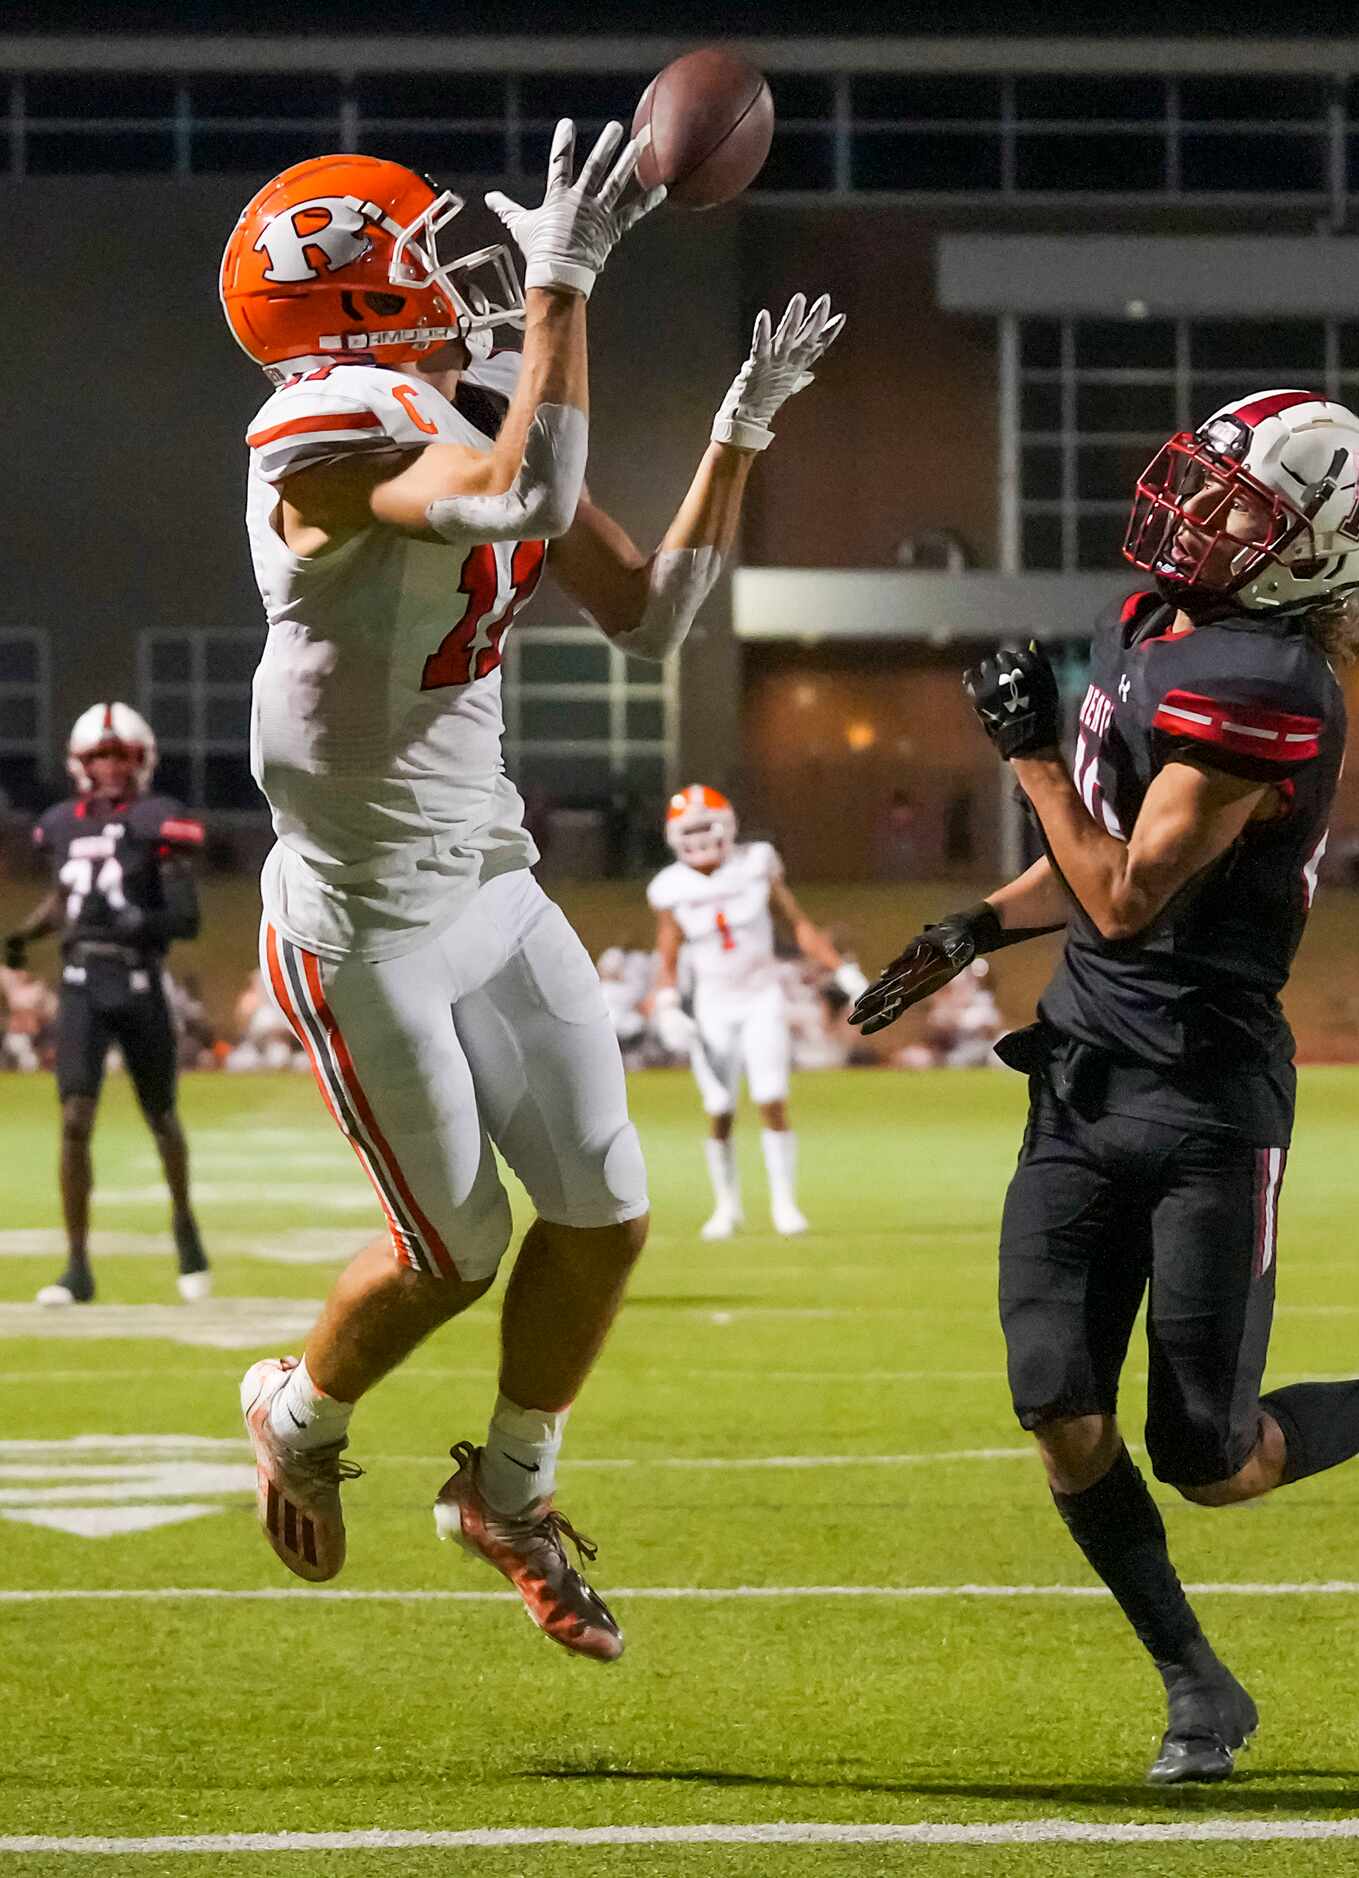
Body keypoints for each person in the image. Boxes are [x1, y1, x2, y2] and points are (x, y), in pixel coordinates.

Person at [851, 390, 1359, 1783]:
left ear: (1308, 548)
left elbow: (1126, 892)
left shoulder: (1267, 685)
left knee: (1211, 1454)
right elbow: (1093, 861)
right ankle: (1195, 1683)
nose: (1196, 511)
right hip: (1082, 1075)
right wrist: (969, 929)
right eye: (1205, 484)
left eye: (1238, 505)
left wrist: (1031, 753)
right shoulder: (1158, 626)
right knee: (1054, 1398)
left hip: (1203, 1100)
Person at [220, 129, 843, 1659]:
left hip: (485, 877)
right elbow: (513, 500)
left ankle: (509, 1488)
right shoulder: (323, 426)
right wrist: (567, 284)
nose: (461, 273)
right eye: (419, 258)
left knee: (609, 1207)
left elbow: (657, 614)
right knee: (454, 1247)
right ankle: (294, 1409)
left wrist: (740, 429)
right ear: (352, 305)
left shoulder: (457, 404)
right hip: (360, 919)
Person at [4, 704, 210, 1306]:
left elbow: (187, 919)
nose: (110, 767)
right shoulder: (60, 824)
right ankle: (76, 1264)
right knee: (74, 1119)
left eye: (119, 755)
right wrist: (24, 935)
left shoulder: (160, 819)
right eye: (100, 756)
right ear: (79, 762)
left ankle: (184, 1225)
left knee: (161, 1115)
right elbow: (66, 898)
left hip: (140, 979)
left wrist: (135, 919)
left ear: (140, 760)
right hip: (80, 983)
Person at [647, 786, 868, 1239]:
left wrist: (841, 970)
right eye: (691, 830)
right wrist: (667, 1003)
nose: (701, 837)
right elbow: (666, 957)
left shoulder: (755, 863)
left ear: (728, 824)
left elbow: (798, 924)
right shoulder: (670, 888)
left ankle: (783, 1204)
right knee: (720, 1108)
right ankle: (726, 1207)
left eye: (707, 825)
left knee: (771, 1099)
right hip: (713, 1002)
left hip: (761, 994)